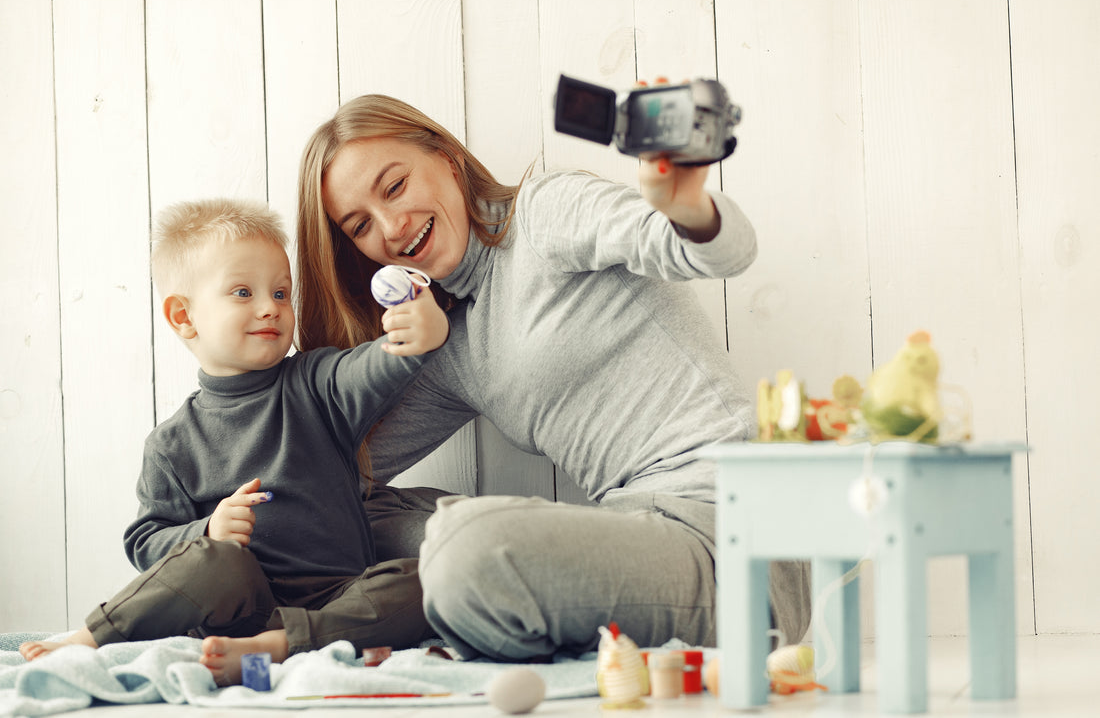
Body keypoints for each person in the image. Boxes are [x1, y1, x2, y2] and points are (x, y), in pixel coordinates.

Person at [295, 92, 811, 661]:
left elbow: (720, 253)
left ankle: (475, 608)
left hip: (737, 537)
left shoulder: (544, 214)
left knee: (464, 550)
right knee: (350, 519)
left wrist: (685, 205)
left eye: (394, 187)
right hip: (632, 534)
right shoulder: (447, 346)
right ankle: (487, 609)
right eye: (360, 225)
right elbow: (334, 477)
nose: (392, 227)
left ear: (444, 157)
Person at [19, 198, 449, 684]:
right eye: (243, 292)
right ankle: (91, 638)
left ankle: (278, 646)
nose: (270, 307)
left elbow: (378, 363)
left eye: (282, 293)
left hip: (339, 597)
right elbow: (145, 541)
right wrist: (207, 530)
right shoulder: (172, 445)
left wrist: (420, 334)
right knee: (215, 560)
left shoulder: (315, 383)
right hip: (236, 608)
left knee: (423, 576)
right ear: (184, 317)